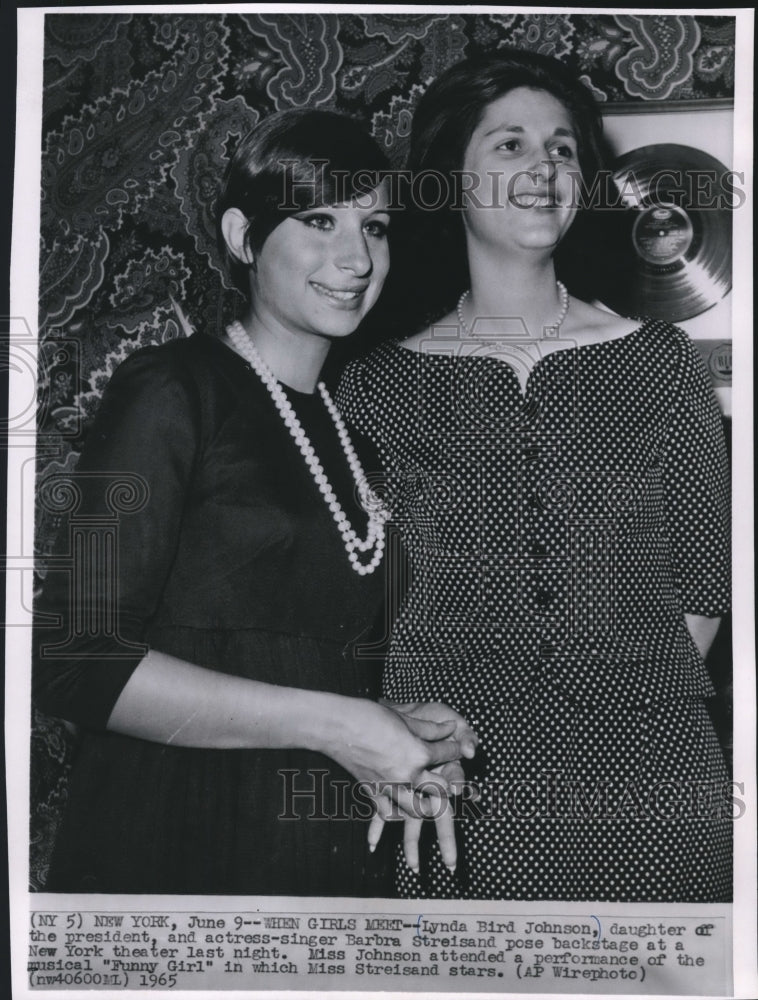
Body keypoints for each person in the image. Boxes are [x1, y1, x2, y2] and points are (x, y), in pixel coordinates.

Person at [33, 108, 475, 896]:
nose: (356, 257)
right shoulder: (170, 389)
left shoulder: (355, 439)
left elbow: (280, 652)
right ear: (243, 237)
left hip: (316, 844)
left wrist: (388, 726)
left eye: (375, 228)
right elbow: (75, 662)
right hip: (175, 835)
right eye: (318, 219)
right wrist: (344, 724)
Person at [337, 50, 732, 902]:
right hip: (447, 781)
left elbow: (702, 588)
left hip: (648, 775)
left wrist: (609, 702)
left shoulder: (660, 360)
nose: (543, 169)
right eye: (510, 145)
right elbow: (362, 597)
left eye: (561, 149)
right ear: (451, 174)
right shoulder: (376, 383)